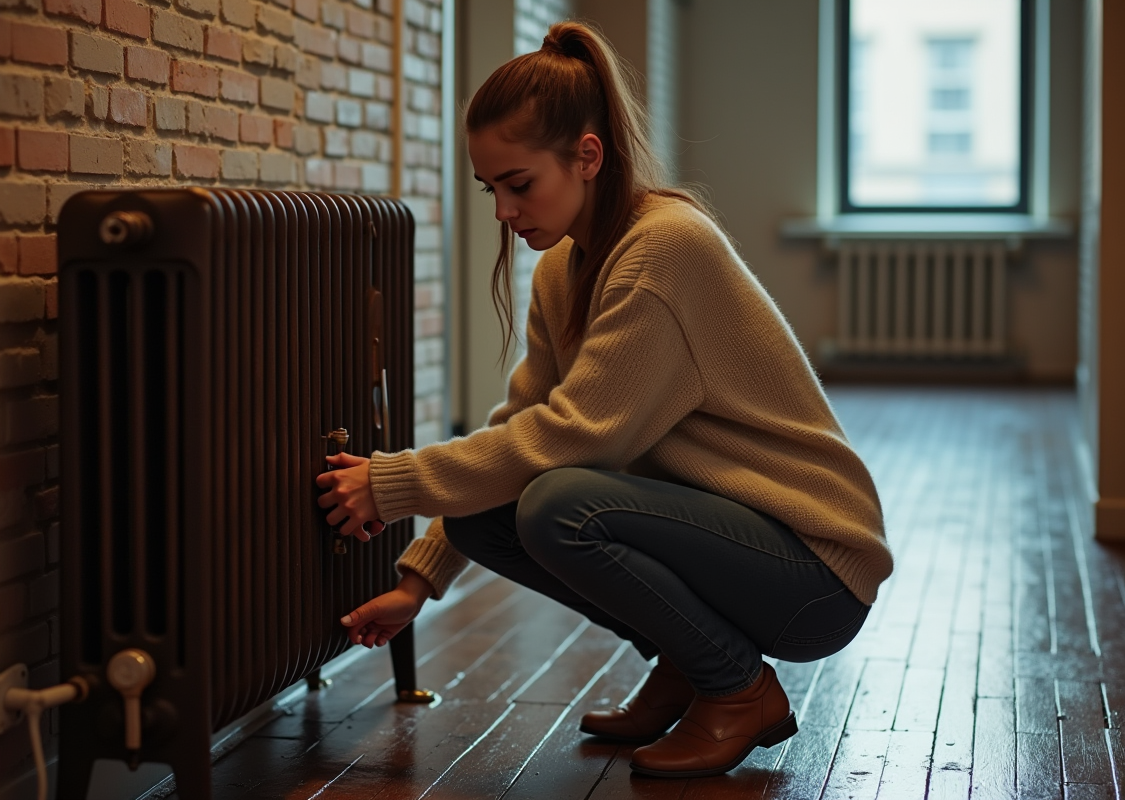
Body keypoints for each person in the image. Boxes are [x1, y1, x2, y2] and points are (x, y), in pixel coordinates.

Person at [316, 20, 893, 779]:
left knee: (559, 504)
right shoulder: (564, 270)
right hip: (740, 541)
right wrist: (418, 583)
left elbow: (573, 438)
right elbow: (519, 429)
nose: (503, 211)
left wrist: (390, 483)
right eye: (491, 189)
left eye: (519, 184)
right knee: (488, 507)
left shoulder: (663, 249)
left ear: (587, 156)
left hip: (814, 568)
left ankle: (736, 687)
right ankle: (695, 664)